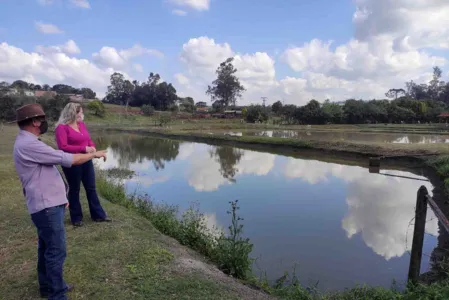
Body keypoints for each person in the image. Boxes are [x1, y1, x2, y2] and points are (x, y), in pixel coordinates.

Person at [13, 103, 107, 300]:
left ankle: (49, 287)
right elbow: (65, 158)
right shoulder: (30, 144)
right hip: (46, 205)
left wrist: (60, 197)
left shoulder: (27, 142)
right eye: (42, 119)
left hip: (47, 202)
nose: (44, 123)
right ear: (35, 121)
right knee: (56, 251)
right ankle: (57, 294)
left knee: (46, 248)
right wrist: (93, 154)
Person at [55, 103, 110, 227]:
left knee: (91, 188)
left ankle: (98, 215)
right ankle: (76, 218)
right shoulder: (62, 128)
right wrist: (84, 148)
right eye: (80, 112)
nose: (82, 114)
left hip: (87, 161)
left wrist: (93, 148)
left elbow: (88, 139)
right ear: (73, 113)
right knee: (74, 190)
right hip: (72, 162)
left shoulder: (81, 125)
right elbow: (63, 147)